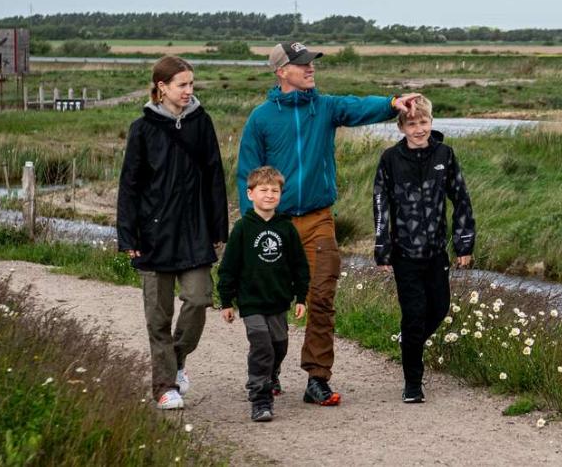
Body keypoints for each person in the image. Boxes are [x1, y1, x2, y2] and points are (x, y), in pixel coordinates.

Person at [236, 41, 421, 406]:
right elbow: (248, 175)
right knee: (273, 303)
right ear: (281, 71)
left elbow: (356, 107)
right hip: (276, 224)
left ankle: (317, 378)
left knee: (321, 298)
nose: (310, 69)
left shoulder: (324, 107)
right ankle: (268, 370)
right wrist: (252, 226)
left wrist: (391, 104)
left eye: (311, 63)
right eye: (301, 63)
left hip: (319, 219)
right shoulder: (261, 119)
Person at [117, 55, 228, 410]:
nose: (189, 91)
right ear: (162, 87)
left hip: (195, 231)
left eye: (191, 84)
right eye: (182, 84)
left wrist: (217, 227)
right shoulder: (143, 128)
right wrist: (128, 236)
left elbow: (214, 176)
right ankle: (165, 386)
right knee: (159, 315)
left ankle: (176, 360)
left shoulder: (201, 123)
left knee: (198, 299)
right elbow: (129, 185)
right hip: (153, 235)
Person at [372, 95, 475, 403]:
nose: (419, 129)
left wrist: (463, 244)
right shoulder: (390, 159)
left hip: (436, 252)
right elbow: (381, 204)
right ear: (401, 127)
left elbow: (461, 200)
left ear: (432, 122)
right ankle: (413, 384)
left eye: (424, 122)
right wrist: (382, 248)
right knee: (414, 315)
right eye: (412, 123)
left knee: (439, 309)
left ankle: (409, 343)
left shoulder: (445, 154)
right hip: (404, 253)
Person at [218, 166, 310, 422]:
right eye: (263, 190)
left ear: (281, 194)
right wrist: (226, 301)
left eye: (275, 190)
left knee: (279, 346)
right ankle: (260, 399)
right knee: (262, 346)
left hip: (278, 301)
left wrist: (301, 296)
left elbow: (299, 265)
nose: (269, 195)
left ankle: (271, 373)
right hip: (251, 302)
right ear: (250, 194)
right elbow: (228, 268)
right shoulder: (243, 228)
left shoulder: (287, 228)